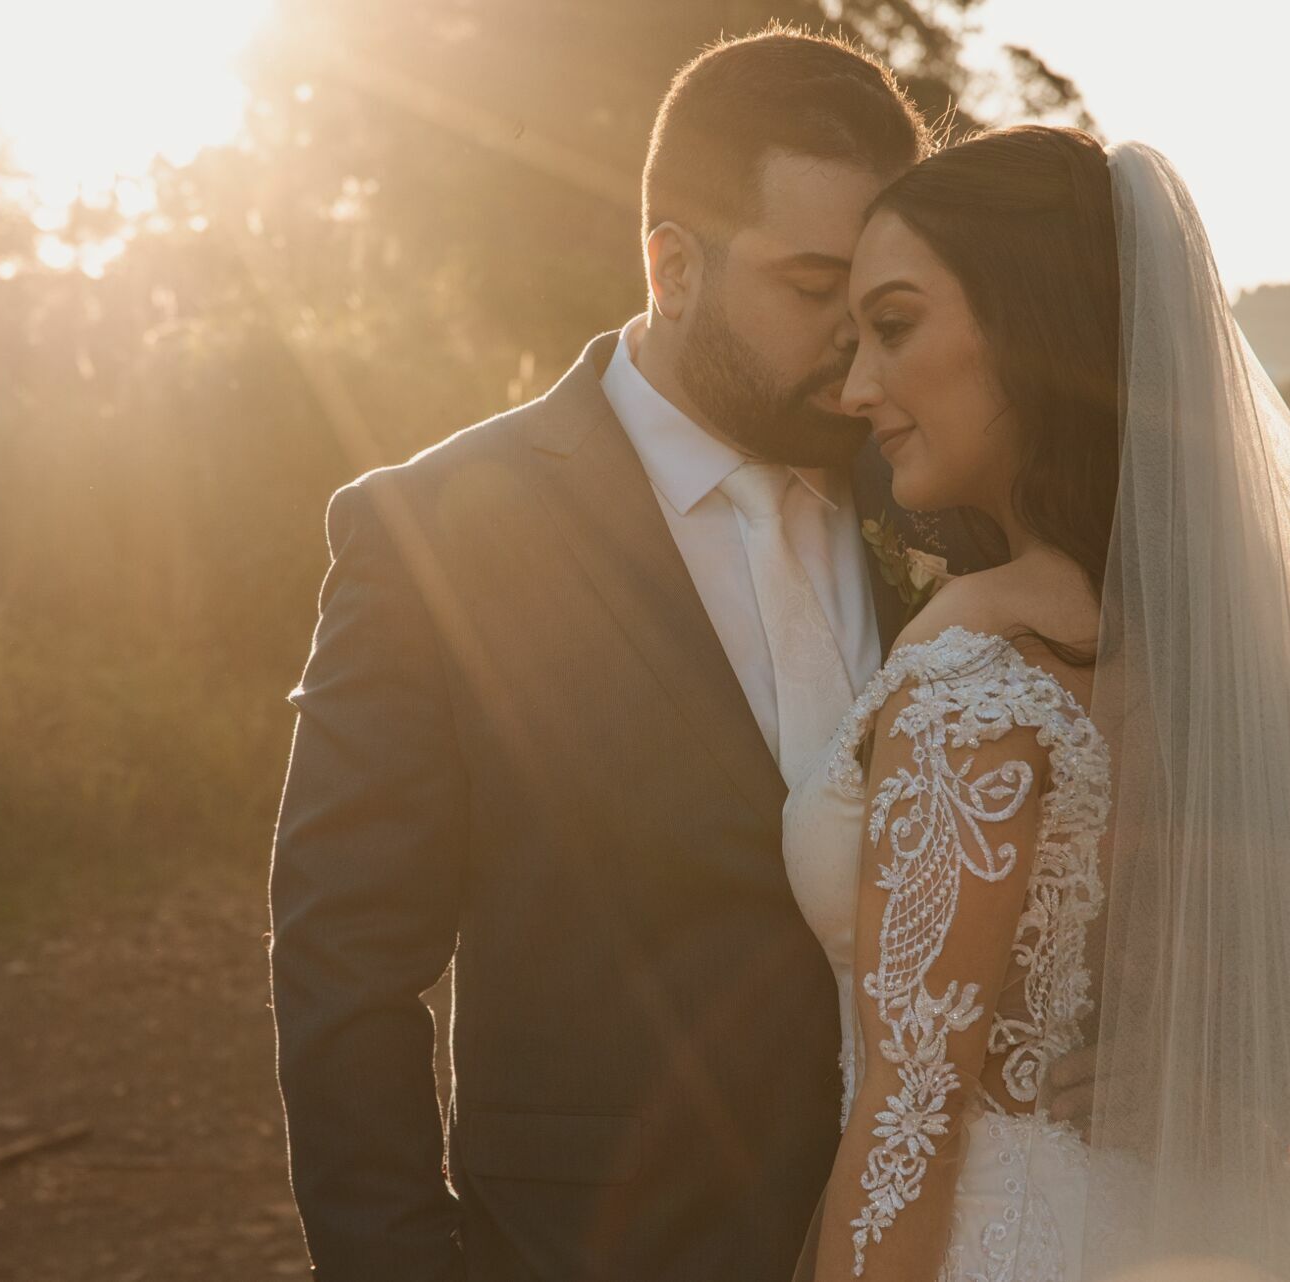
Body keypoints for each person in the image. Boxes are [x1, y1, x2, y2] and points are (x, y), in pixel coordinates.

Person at [781, 124, 1290, 1281]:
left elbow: (910, 1121)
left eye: (896, 325)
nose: (859, 385)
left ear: (1030, 322)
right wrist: (1209, 1085)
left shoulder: (973, 666)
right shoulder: (1233, 654)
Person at [268, 28, 957, 1282]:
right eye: (814, 289)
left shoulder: (936, 498)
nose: (856, 346)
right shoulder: (430, 536)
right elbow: (345, 973)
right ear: (672, 266)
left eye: (876, 300)